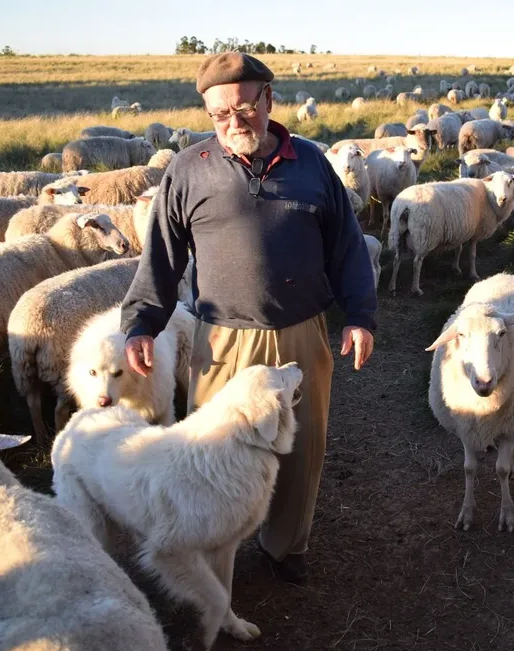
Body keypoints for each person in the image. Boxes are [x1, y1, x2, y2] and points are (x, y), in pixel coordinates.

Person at [119, 52, 377, 583]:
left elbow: (347, 248)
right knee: (212, 453)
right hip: (222, 339)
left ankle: (286, 545)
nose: (234, 122)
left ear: (269, 99)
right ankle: (213, 552)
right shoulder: (189, 170)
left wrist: (360, 316)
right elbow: (162, 258)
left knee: (301, 447)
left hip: (301, 332)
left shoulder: (312, 165)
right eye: (219, 114)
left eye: (244, 108)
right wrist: (142, 322)